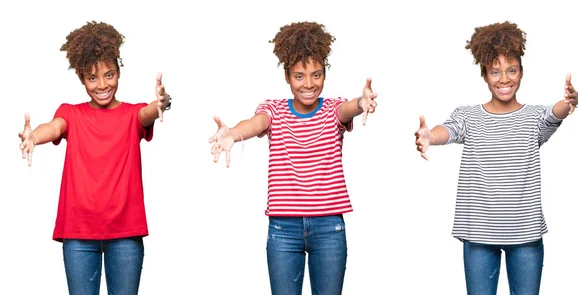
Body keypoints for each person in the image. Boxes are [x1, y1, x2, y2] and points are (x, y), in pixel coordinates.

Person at [208, 21, 378, 295]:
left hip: (329, 227)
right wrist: (233, 134)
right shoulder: (274, 110)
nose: (308, 84)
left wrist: (361, 102)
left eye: (316, 75)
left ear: (325, 74)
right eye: (299, 76)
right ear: (287, 76)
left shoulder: (332, 109)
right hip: (283, 229)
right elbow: (255, 123)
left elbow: (349, 109)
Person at [414, 21, 578, 294]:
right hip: (479, 235)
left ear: (522, 72)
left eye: (511, 70)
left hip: (525, 236)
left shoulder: (533, 118)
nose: (504, 79)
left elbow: (557, 111)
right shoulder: (469, 115)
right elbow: (448, 131)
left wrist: (572, 100)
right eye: (495, 72)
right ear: (484, 75)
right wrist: (429, 137)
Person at [18, 21, 171, 295]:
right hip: (78, 235)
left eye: (109, 75)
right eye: (92, 78)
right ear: (82, 79)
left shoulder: (131, 114)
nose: (102, 85)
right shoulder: (71, 114)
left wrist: (162, 103)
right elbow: (54, 127)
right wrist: (34, 137)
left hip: (125, 234)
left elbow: (147, 113)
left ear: (119, 72)